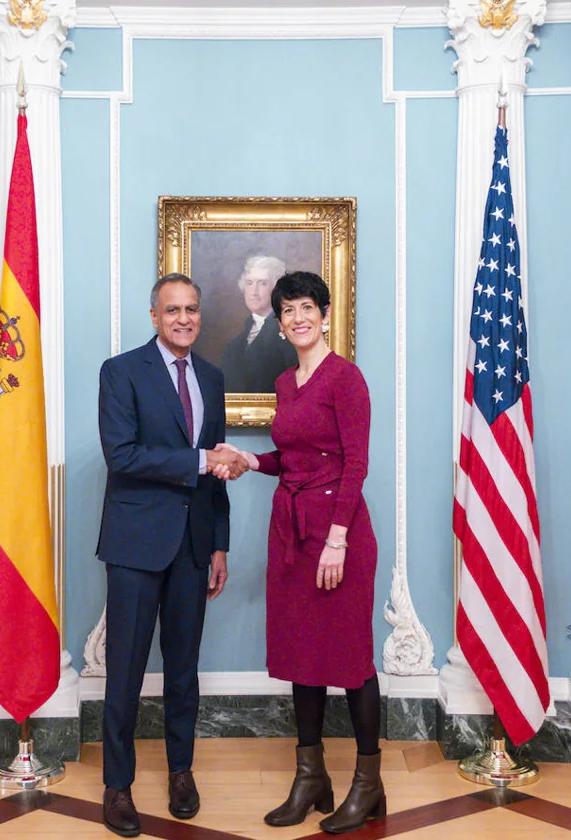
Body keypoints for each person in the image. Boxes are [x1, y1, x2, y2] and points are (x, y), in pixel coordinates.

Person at [219, 271, 383, 834]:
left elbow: (355, 464)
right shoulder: (286, 381)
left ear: (326, 313)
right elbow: (290, 458)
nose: (297, 318)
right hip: (291, 534)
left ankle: (368, 784)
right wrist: (245, 460)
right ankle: (310, 776)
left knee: (351, 660)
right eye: (287, 310)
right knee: (302, 658)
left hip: (338, 534)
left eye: (306, 307)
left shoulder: (347, 379)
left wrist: (337, 539)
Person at [96, 273, 249, 838]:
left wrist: (220, 543)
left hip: (193, 547)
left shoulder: (211, 376)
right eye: (172, 310)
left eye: (192, 309)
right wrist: (199, 461)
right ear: (154, 315)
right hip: (136, 547)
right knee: (127, 672)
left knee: (183, 671)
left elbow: (218, 474)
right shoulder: (120, 372)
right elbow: (123, 456)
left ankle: (181, 773)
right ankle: (118, 785)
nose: (183, 318)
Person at [220, 255, 298, 393]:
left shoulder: (292, 336)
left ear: (276, 289)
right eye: (249, 283)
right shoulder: (233, 346)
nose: (254, 292)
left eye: (262, 283)